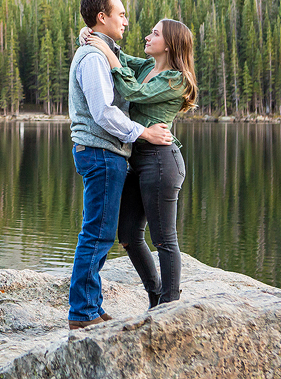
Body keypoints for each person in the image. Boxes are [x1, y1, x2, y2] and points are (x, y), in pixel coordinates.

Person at [67, 0, 173, 330]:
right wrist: (143, 133)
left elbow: (125, 66)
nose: (126, 20)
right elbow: (103, 112)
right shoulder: (95, 57)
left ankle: (91, 306)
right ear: (103, 17)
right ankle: (82, 313)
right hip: (101, 153)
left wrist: (91, 37)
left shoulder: (103, 51)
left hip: (104, 154)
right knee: (96, 234)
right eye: (121, 14)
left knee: (98, 231)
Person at [84, 18, 198, 308]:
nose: (147, 36)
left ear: (169, 44)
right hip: (137, 160)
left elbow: (135, 92)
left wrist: (107, 53)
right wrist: (89, 35)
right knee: (128, 234)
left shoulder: (176, 79)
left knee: (164, 238)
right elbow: (119, 57)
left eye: (155, 33)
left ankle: (171, 305)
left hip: (161, 162)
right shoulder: (148, 67)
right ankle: (155, 296)